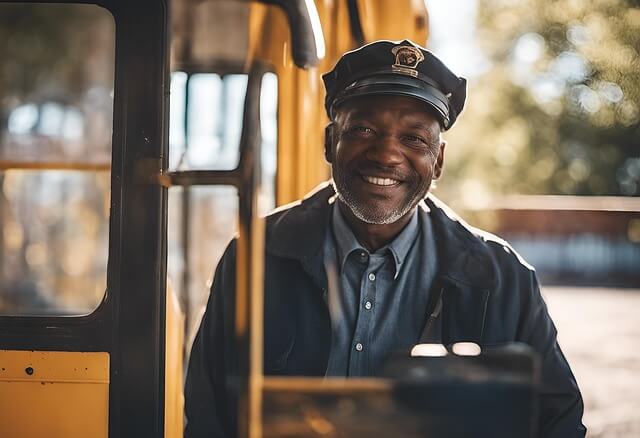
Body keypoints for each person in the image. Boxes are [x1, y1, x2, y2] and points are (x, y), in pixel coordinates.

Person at [185, 39, 586, 437]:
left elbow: (557, 422)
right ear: (329, 142)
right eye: (363, 129)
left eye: (413, 138)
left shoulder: (502, 276)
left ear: (439, 160)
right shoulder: (255, 255)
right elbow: (208, 413)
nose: (387, 154)